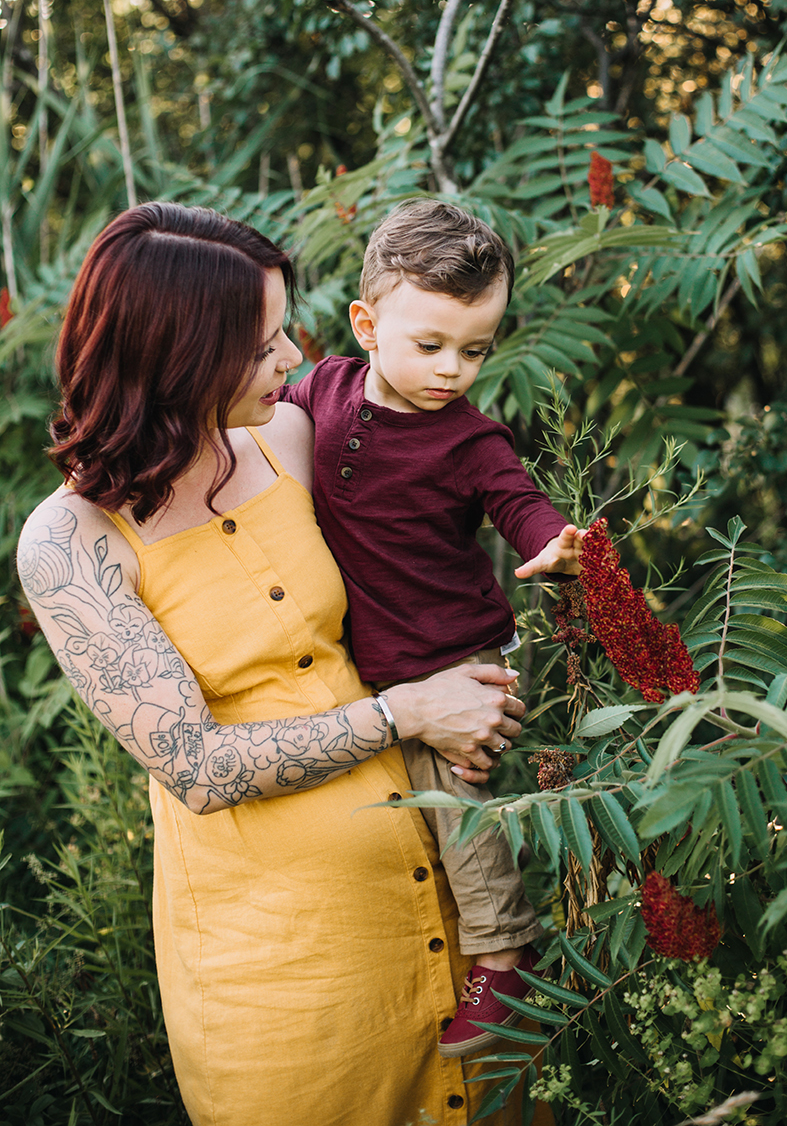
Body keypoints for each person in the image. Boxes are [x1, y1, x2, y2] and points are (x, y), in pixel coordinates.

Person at [16, 202, 546, 1126]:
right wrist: (409, 713)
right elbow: (197, 766)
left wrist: (490, 667)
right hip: (288, 975)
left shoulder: (288, 440)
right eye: (263, 344)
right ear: (179, 354)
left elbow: (423, 547)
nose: (293, 357)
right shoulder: (70, 541)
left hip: (445, 911)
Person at [279, 198, 583, 1058]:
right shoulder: (323, 388)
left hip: (454, 656)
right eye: (432, 345)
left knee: (456, 802)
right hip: (374, 658)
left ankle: (504, 953)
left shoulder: (470, 440)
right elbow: (263, 433)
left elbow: (518, 503)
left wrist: (552, 544)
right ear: (367, 325)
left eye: (476, 350)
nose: (454, 369)